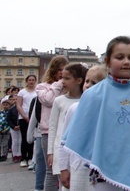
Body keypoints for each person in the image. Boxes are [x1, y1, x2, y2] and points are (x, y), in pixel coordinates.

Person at [62, 36, 130, 191]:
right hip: (104, 169)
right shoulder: (93, 95)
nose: (126, 61)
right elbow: (81, 133)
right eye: (120, 57)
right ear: (107, 61)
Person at [59, 65, 107, 190]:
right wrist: (63, 168)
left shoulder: (108, 111)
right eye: (87, 81)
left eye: (94, 83)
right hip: (77, 167)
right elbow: (64, 141)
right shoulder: (74, 109)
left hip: (100, 168)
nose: (88, 85)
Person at [47, 63, 87, 189]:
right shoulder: (59, 101)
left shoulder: (87, 101)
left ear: (79, 80)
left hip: (79, 153)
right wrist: (50, 152)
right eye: (62, 78)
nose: (62, 81)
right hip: (62, 150)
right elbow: (53, 127)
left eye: (67, 78)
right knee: (65, 186)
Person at [36, 55, 68, 191]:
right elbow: (48, 100)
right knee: (51, 170)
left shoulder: (68, 86)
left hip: (66, 130)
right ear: (53, 70)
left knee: (66, 168)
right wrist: (58, 84)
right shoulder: (42, 87)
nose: (62, 73)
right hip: (48, 131)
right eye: (59, 70)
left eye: (64, 70)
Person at [16, 74, 38, 167]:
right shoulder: (22, 92)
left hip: (34, 117)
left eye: (33, 80)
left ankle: (30, 157)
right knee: (25, 138)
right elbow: (18, 105)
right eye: (29, 80)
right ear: (27, 81)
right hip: (23, 118)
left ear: (35, 81)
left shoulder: (37, 91)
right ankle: (23, 158)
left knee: (32, 138)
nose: (31, 82)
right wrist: (25, 116)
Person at [6, 94, 21, 162]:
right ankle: (15, 155)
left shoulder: (21, 108)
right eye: (14, 100)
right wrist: (13, 126)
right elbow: (8, 119)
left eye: (16, 99)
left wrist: (20, 126)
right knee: (15, 141)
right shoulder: (11, 109)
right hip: (13, 127)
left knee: (20, 141)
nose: (15, 101)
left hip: (20, 127)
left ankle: (20, 154)